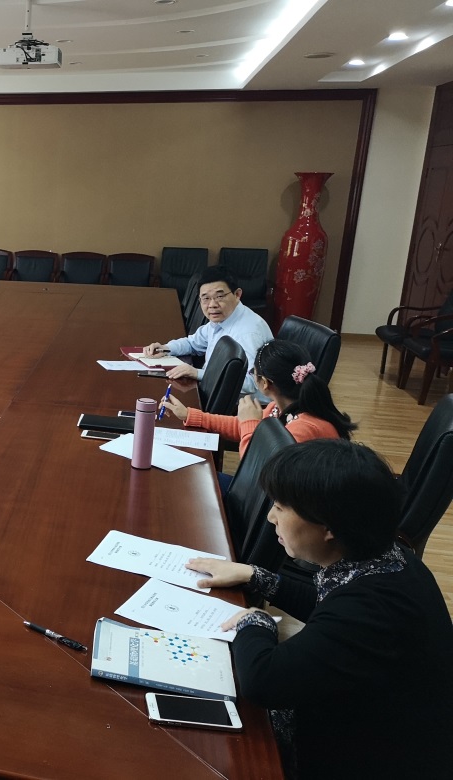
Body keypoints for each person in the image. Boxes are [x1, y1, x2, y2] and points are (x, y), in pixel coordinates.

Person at [187, 440, 453, 780]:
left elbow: (264, 681)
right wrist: (256, 576)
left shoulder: (371, 608)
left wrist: (255, 621)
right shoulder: (390, 560)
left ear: (329, 527)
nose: (271, 517)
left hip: (366, 758)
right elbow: (329, 607)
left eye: (280, 507)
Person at [160, 339, 356, 458]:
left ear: (265, 383)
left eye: (253, 372)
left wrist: (250, 423)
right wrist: (190, 415)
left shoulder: (303, 429)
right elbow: (238, 426)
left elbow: (259, 470)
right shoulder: (280, 408)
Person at [143, 265, 273, 399]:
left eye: (220, 296)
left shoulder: (248, 333)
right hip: (216, 391)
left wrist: (198, 373)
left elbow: (252, 384)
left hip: (242, 404)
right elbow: (193, 343)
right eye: (205, 298)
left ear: (237, 294)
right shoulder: (222, 318)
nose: (212, 305)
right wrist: (166, 348)